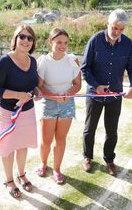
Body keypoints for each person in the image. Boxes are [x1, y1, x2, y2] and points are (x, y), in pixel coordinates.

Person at [81, 9, 132, 176]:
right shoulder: (95, 40)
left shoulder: (127, 44)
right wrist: (96, 85)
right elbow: (85, 68)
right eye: (114, 28)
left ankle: (109, 159)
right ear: (107, 24)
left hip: (115, 95)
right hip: (95, 94)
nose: (117, 32)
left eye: (121, 29)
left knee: (112, 130)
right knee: (89, 128)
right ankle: (87, 157)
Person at [0, 25, 38, 198]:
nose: (26, 41)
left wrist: (36, 92)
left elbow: (34, 85)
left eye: (29, 38)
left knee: (23, 144)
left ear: (33, 43)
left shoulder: (33, 61)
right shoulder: (4, 62)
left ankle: (22, 174)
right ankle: (9, 180)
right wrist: (18, 95)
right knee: (8, 147)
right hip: (7, 113)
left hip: (27, 112)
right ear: (15, 39)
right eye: (22, 37)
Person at [36, 28, 81, 184]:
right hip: (48, 104)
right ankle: (43, 164)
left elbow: (77, 84)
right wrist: (54, 96)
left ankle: (56, 169)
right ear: (51, 42)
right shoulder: (43, 61)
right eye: (59, 42)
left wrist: (68, 94)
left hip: (67, 104)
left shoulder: (72, 60)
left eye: (66, 43)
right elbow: (40, 86)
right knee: (46, 141)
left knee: (61, 139)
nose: (63, 46)